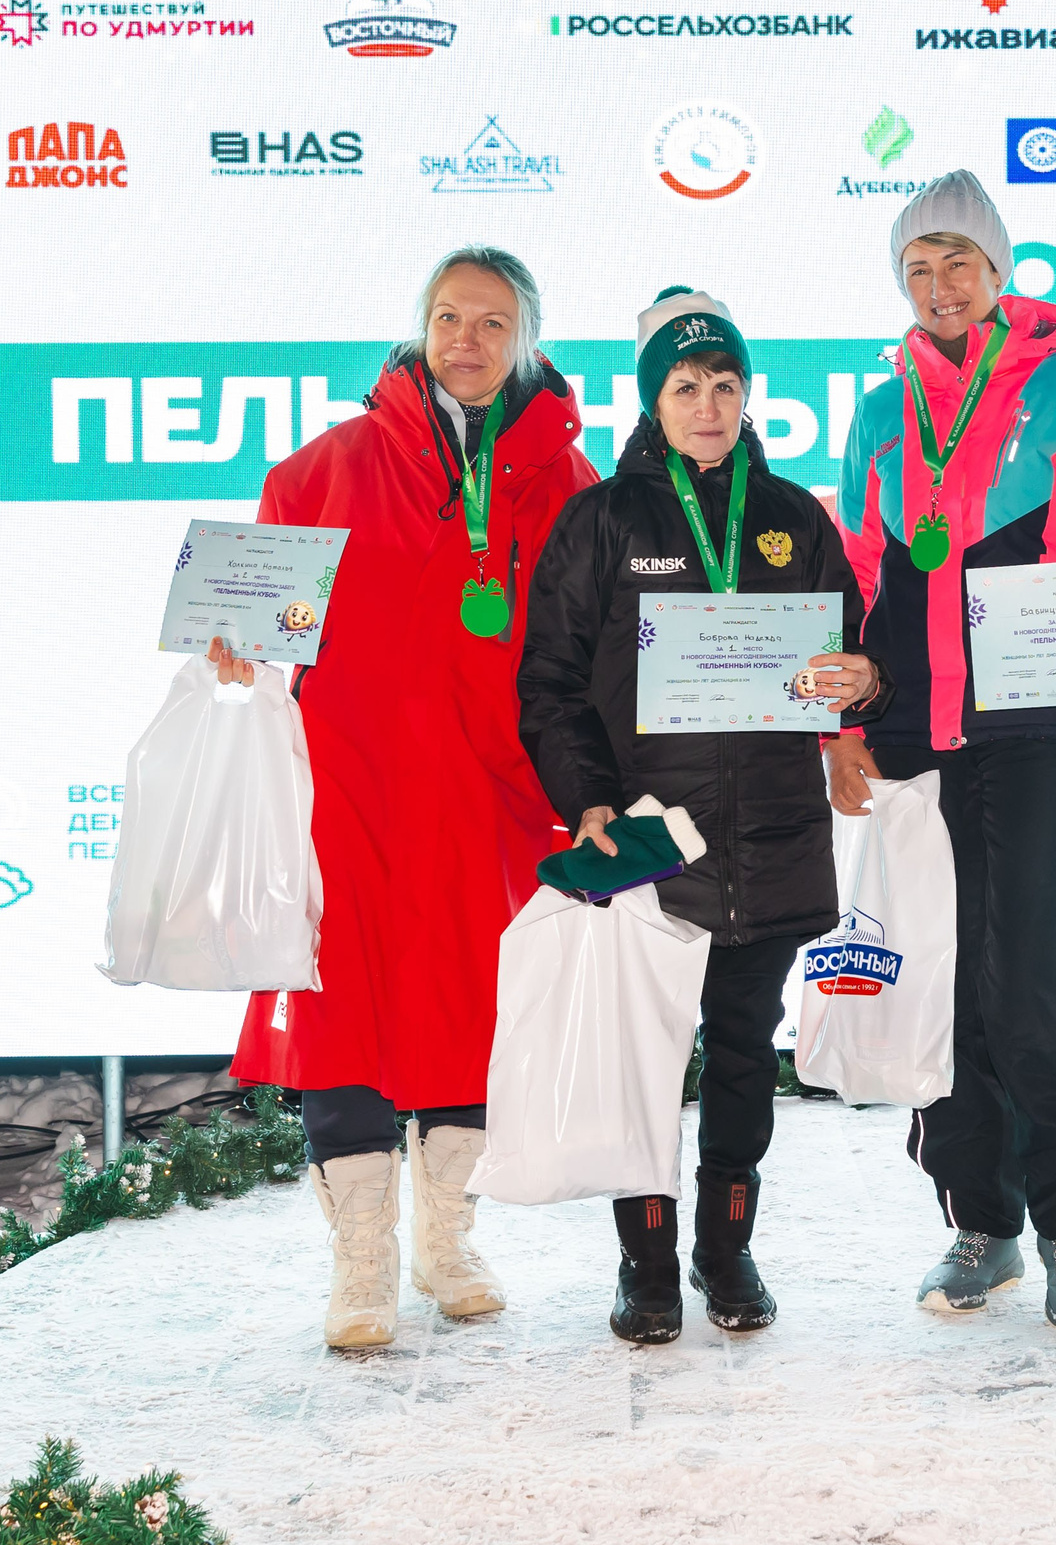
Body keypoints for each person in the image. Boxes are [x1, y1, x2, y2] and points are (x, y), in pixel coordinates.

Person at [219, 246, 597, 1351]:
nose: (466, 341)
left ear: (526, 336)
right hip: (354, 790)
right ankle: (361, 1262)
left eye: (490, 321)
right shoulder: (325, 470)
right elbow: (254, 619)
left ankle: (445, 1239)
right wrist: (235, 643)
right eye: (447, 318)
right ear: (420, 330)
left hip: (498, 795)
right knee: (345, 1011)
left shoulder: (571, 487)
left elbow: (599, 653)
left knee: (475, 1010)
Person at [829, 170, 1056, 1334]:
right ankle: (980, 1222)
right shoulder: (881, 410)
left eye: (958, 262)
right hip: (918, 737)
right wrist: (844, 726)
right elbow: (861, 579)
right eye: (917, 268)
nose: (939, 286)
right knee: (940, 985)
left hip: (1036, 735)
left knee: (1028, 983)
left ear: (999, 270)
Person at [519, 287, 886, 1345]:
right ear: (653, 400)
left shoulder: (792, 519)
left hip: (768, 837)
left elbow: (848, 665)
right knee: (645, 1063)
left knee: (738, 1052)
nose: (709, 405)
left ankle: (723, 1249)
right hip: (644, 846)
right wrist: (586, 799)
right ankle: (643, 1265)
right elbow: (548, 686)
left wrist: (862, 685)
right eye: (686, 386)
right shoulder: (600, 521)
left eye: (726, 383)